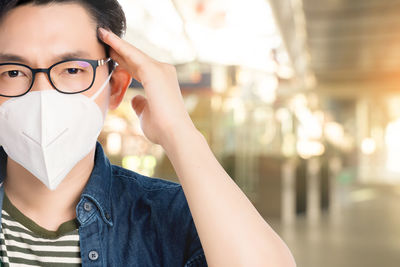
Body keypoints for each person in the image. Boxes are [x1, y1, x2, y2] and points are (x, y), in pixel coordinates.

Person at [0, 0, 296, 266]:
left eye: (73, 69)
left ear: (115, 87)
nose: (42, 95)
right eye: (12, 72)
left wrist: (179, 132)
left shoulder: (172, 215)